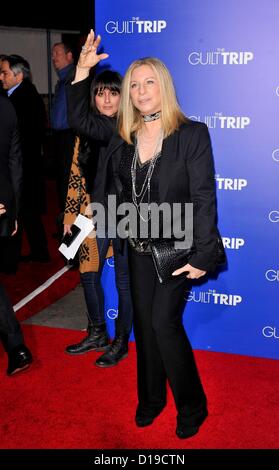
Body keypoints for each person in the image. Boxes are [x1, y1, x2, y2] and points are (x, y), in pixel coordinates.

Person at [67, 31, 221, 439]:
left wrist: (203, 253)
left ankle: (193, 404)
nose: (139, 90)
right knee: (145, 329)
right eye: (133, 84)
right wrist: (82, 69)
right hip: (135, 247)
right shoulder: (124, 134)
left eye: (148, 81)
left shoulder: (192, 134)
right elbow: (80, 120)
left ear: (163, 87)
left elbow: (204, 197)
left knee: (162, 324)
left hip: (176, 249)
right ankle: (151, 399)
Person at [64, 70, 133, 368]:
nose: (106, 99)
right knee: (87, 272)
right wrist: (71, 213)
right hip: (92, 211)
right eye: (100, 92)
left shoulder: (132, 128)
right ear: (93, 97)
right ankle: (97, 333)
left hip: (125, 214)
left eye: (113, 92)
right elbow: (76, 175)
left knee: (124, 281)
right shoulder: (87, 130)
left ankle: (120, 341)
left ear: (122, 96)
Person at [0, 54, 50, 264]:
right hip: (25, 166)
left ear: (18, 75)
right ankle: (37, 253)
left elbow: (19, 138)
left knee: (24, 212)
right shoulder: (23, 95)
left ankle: (15, 260)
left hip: (23, 168)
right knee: (27, 214)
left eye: (5, 72)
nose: (1, 77)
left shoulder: (21, 98)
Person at [0, 94, 33, 375]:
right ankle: (16, 346)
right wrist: (13, 210)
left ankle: (16, 346)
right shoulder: (6, 106)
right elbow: (15, 164)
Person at [51, 42, 76, 214]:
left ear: (69, 56)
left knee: (69, 184)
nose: (53, 58)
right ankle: (65, 224)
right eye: (52, 54)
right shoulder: (61, 81)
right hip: (60, 138)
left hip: (71, 138)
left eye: (57, 53)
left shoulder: (75, 78)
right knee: (61, 183)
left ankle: (71, 227)